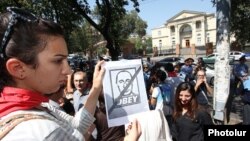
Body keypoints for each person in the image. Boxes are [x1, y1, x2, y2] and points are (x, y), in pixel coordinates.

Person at [0, 7, 141, 141]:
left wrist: (96, 88)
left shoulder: (39, 106)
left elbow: (77, 126)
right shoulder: (44, 133)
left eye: (66, 60)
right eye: (58, 60)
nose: (68, 71)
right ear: (18, 68)